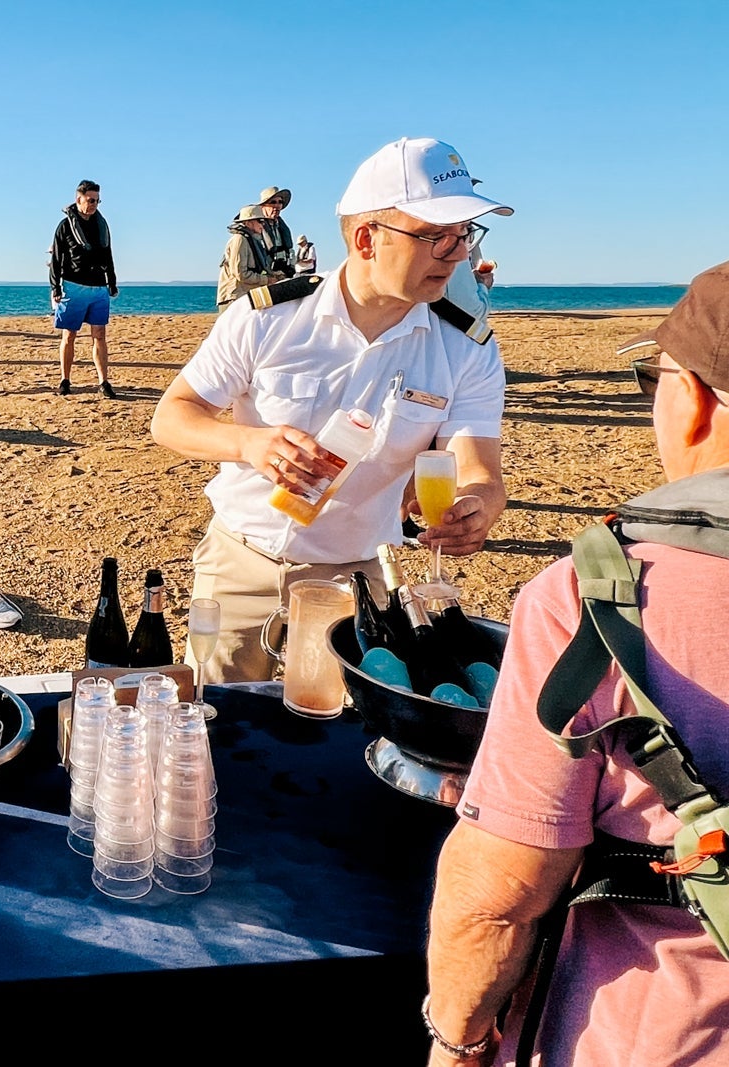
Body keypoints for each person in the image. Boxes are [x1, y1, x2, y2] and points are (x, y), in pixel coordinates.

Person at [424, 260, 729, 1067]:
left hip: (650, 1036)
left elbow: (496, 901)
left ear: (693, 397)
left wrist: (457, 1041)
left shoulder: (600, 597)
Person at [149, 137, 511, 682]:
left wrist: (475, 507)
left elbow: (481, 470)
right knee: (222, 727)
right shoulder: (267, 318)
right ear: (367, 238)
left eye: (464, 235)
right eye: (435, 236)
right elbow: (172, 416)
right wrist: (249, 442)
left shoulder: (465, 348)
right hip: (240, 567)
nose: (459, 254)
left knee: (334, 735)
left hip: (356, 584)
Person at [49, 180, 119, 398]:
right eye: (90, 200)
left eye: (97, 201)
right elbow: (57, 258)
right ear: (79, 199)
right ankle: (65, 380)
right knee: (69, 335)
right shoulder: (65, 226)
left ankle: (103, 382)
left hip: (98, 287)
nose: (94, 204)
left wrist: (112, 282)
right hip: (73, 286)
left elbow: (108, 254)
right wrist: (56, 287)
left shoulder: (101, 225)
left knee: (99, 335)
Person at [217, 205, 286, 310]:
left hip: (243, 296)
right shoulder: (239, 240)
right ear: (248, 222)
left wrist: (275, 275)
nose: (263, 225)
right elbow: (240, 274)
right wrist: (267, 280)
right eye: (260, 221)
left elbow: (257, 269)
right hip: (234, 298)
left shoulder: (252, 241)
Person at [258, 186, 295, 276]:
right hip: (264, 276)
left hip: (282, 273)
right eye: (273, 202)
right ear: (263, 206)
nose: (277, 206)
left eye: (280, 202)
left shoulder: (281, 227)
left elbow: (290, 250)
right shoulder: (256, 227)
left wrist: (292, 267)